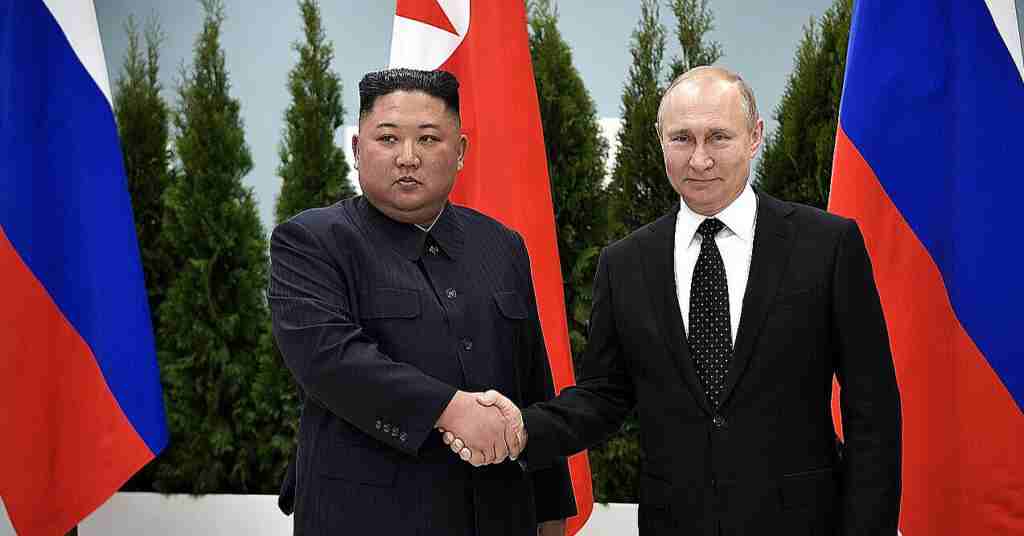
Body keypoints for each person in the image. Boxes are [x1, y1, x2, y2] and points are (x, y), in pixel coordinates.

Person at [448, 66, 902, 535]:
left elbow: (873, 411)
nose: (700, 159)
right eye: (682, 138)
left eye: (718, 137)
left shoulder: (827, 246)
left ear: (755, 136)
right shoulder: (625, 263)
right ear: (661, 140)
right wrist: (524, 428)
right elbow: (604, 396)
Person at [268, 68, 574, 536]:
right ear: (357, 149)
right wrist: (450, 409)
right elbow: (331, 360)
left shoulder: (502, 245)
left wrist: (551, 509)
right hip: (366, 518)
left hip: (499, 514)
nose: (407, 158)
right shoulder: (312, 241)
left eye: (429, 139)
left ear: (460, 152)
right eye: (388, 138)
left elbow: (533, 383)